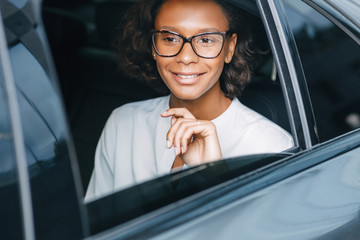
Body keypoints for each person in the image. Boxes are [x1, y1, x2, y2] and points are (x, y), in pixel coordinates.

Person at [85, 0, 293, 202]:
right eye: (170, 39)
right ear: (153, 46)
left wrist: (216, 175)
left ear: (229, 48)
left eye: (205, 40)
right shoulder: (123, 123)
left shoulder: (271, 146)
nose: (186, 57)